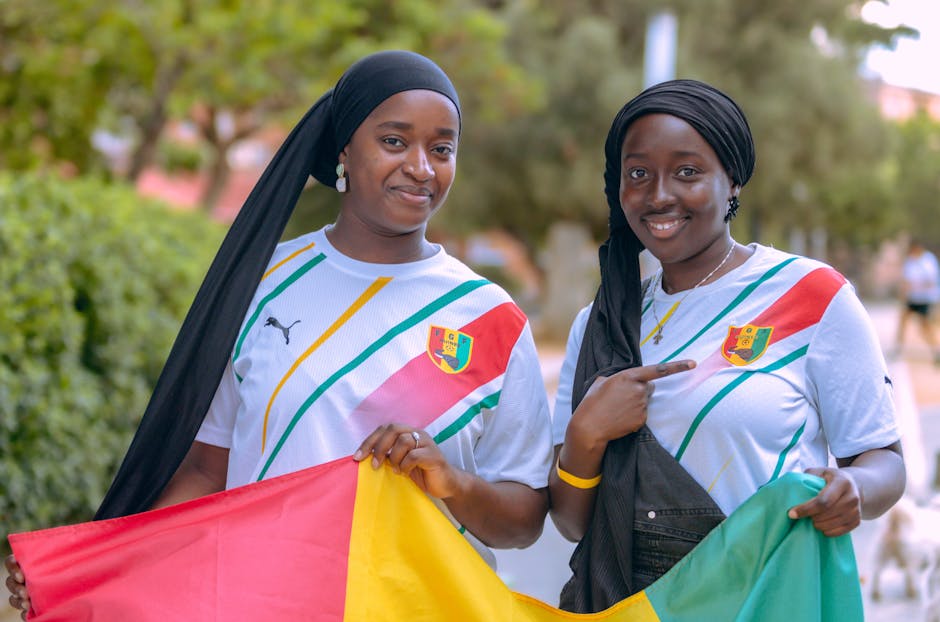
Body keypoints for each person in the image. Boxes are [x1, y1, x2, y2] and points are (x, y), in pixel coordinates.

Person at [5, 50, 553, 618]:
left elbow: (523, 521)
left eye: (441, 149)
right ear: (344, 149)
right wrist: (89, 568)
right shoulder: (262, 282)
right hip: (262, 603)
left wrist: (451, 481)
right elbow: (204, 471)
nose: (421, 166)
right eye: (394, 141)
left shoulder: (488, 317)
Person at [547, 79, 906, 613]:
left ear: (733, 181)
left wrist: (853, 486)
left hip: (763, 594)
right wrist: (585, 435)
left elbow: (885, 462)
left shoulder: (811, 296)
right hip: (635, 603)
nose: (659, 194)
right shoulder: (599, 326)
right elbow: (572, 521)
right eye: (638, 174)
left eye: (687, 172)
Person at [894, 238, 940, 365]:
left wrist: (915, 284)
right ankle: (898, 348)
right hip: (913, 298)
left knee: (925, 326)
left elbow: (930, 281)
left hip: (925, 299)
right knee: (903, 320)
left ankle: (936, 351)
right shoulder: (910, 261)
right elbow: (906, 279)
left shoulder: (928, 261)